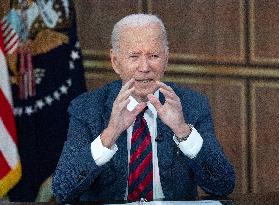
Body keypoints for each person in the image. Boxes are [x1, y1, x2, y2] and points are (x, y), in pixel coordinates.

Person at [52, 14, 235, 202]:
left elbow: (223, 185)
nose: (144, 67)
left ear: (166, 59)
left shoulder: (193, 105)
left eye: (154, 56)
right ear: (115, 62)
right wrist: (110, 134)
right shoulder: (87, 108)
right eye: (134, 56)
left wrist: (183, 131)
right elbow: (63, 190)